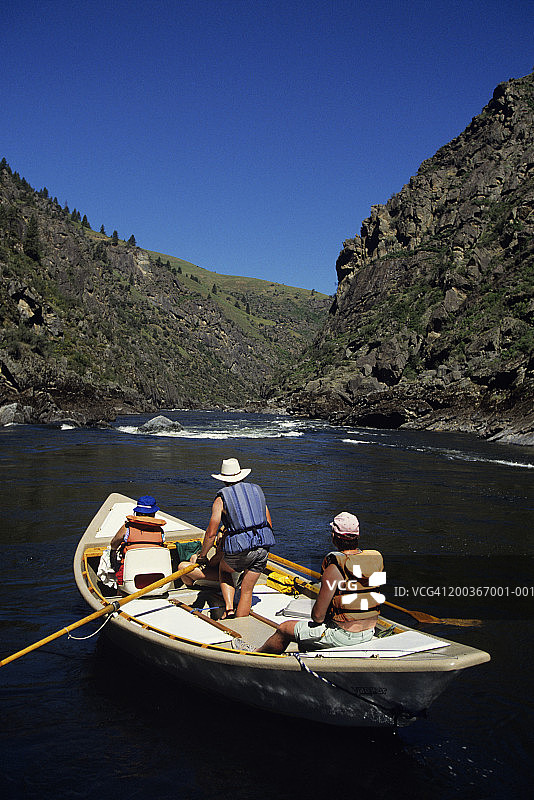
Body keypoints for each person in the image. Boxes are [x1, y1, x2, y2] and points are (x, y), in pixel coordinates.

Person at [255, 512, 384, 654]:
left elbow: (318, 617)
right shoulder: (373, 561)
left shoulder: (334, 568)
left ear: (334, 537)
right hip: (368, 632)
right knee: (307, 635)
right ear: (357, 536)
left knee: (284, 629)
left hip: (343, 637)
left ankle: (257, 654)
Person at [196, 457, 274, 618]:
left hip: (240, 550)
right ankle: (241, 622)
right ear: (241, 476)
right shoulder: (257, 491)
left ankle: (230, 608)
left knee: (224, 571)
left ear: (224, 480)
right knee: (247, 590)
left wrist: (203, 556)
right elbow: (269, 524)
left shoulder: (221, 498)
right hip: (263, 547)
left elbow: (211, 533)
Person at [109, 495, 166, 584]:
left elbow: (113, 544)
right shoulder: (160, 531)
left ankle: (120, 593)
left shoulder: (127, 528)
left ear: (137, 512)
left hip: (130, 576)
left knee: (118, 570)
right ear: (153, 513)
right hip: (155, 575)